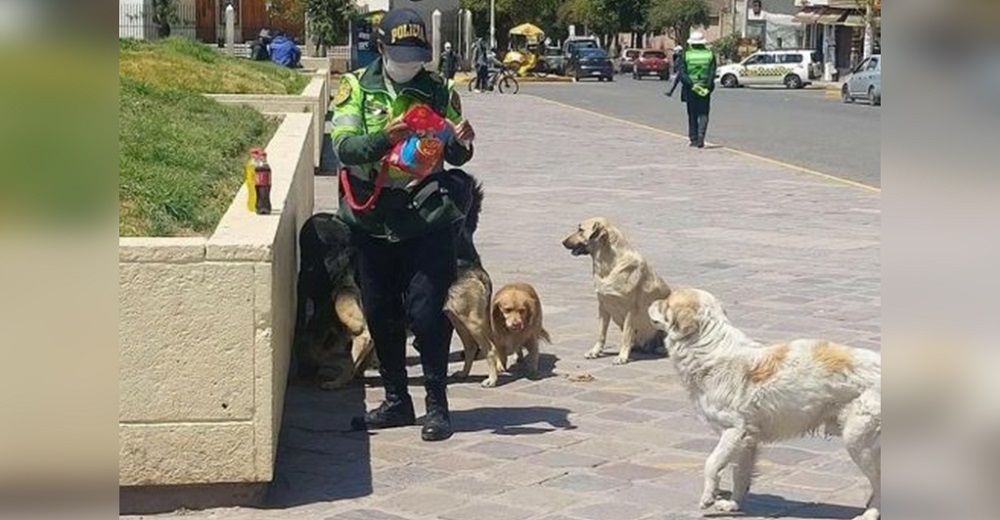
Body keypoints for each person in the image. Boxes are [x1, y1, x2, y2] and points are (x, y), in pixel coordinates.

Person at [330, 8, 477, 442]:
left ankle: (437, 405)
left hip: (426, 215)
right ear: (381, 48)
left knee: (429, 311)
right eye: (400, 52)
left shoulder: (438, 89)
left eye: (415, 54)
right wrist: (385, 138)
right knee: (380, 309)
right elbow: (344, 147)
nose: (408, 61)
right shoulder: (356, 86)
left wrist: (462, 143)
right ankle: (396, 400)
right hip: (372, 217)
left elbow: (455, 153)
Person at [675, 31, 717, 148]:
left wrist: (691, 84)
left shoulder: (686, 55)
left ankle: (693, 138)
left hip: (691, 88)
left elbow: (683, 73)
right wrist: (707, 86)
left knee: (692, 113)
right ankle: (701, 137)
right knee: (703, 113)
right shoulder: (709, 54)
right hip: (705, 88)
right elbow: (712, 73)